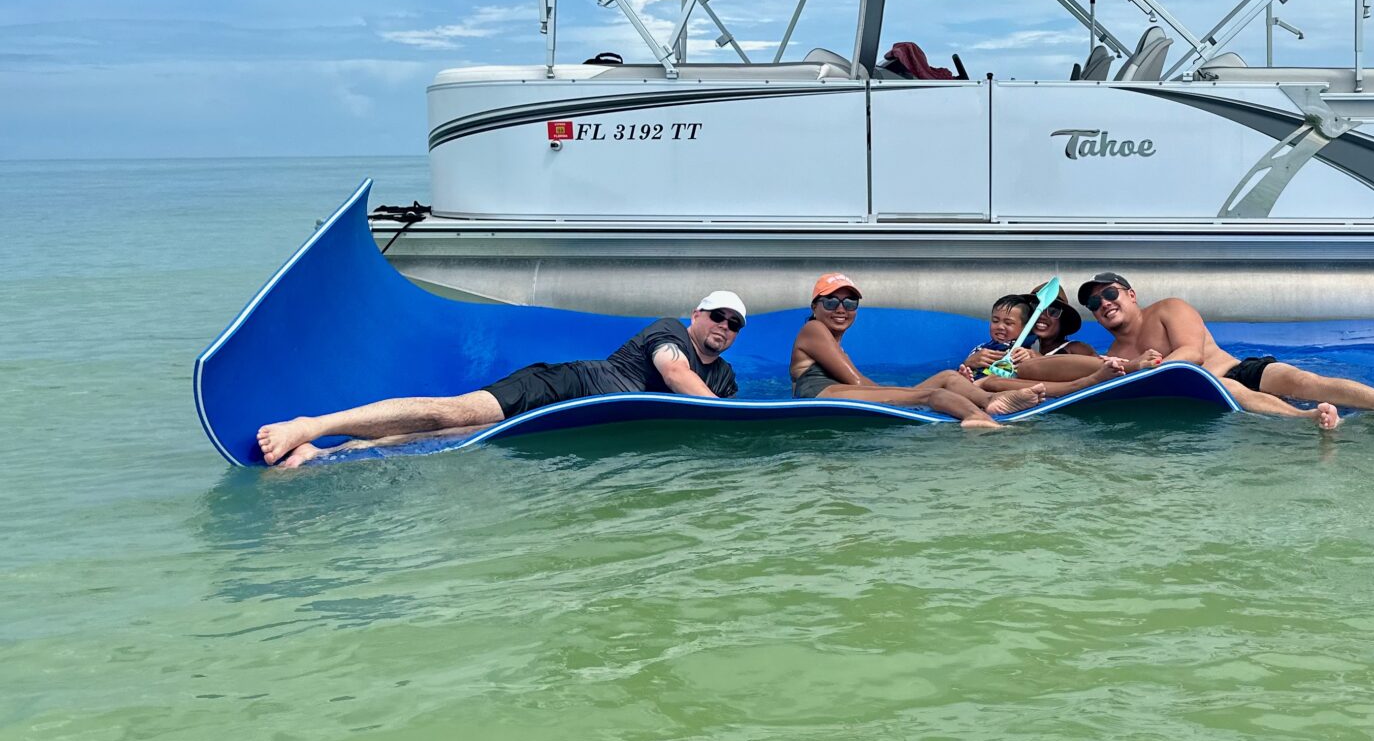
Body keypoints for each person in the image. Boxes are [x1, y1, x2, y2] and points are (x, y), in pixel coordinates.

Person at [255, 291, 750, 467]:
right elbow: (674, 373)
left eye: (735, 325)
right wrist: (737, 417)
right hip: (569, 386)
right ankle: (313, 424)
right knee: (454, 412)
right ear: (697, 315)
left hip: (577, 421)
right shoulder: (670, 334)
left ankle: (325, 454)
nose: (725, 328)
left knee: (450, 438)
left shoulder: (724, 378)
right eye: (719, 316)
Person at [1075, 271, 1374, 432]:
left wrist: (1147, 367)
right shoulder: (1115, 349)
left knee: (1305, 380)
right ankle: (1309, 419)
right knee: (1230, 390)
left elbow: (1192, 353)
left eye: (1110, 294)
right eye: (1095, 302)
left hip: (1234, 370)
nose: (1103, 303)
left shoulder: (1169, 308)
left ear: (1130, 295)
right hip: (1213, 391)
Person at [791, 274, 1038, 428]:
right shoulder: (813, 329)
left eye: (850, 302)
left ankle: (992, 401)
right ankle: (979, 418)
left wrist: (901, 394)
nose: (841, 309)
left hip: (838, 394)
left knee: (948, 377)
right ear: (815, 307)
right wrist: (902, 395)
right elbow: (855, 381)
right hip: (819, 396)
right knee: (932, 396)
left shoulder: (834, 345)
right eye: (831, 302)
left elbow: (858, 384)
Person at [957, 288, 1123, 401]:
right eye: (1037, 308)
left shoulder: (1074, 347)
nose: (1043, 315)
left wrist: (1037, 359)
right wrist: (968, 363)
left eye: (1053, 311)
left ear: (1063, 320)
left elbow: (1100, 368)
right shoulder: (1014, 347)